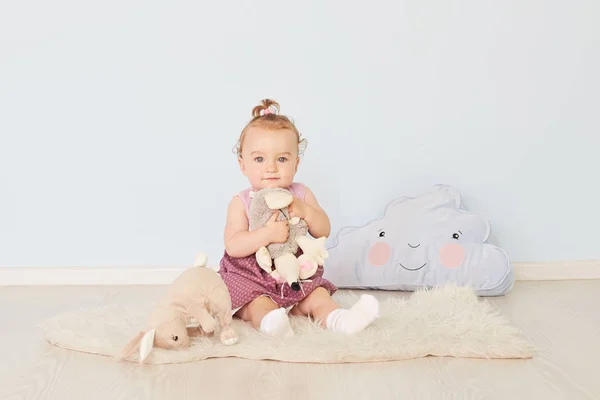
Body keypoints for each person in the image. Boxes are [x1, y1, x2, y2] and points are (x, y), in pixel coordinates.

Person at [218, 99, 379, 338]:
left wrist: (306, 211)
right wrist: (267, 235)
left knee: (317, 296)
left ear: (296, 163)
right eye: (259, 159)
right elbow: (233, 245)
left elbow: (323, 229)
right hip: (252, 277)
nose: (271, 168)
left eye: (281, 159)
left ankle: (340, 320)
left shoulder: (300, 193)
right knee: (257, 304)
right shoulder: (241, 201)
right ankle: (272, 323)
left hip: (295, 275)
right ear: (243, 165)